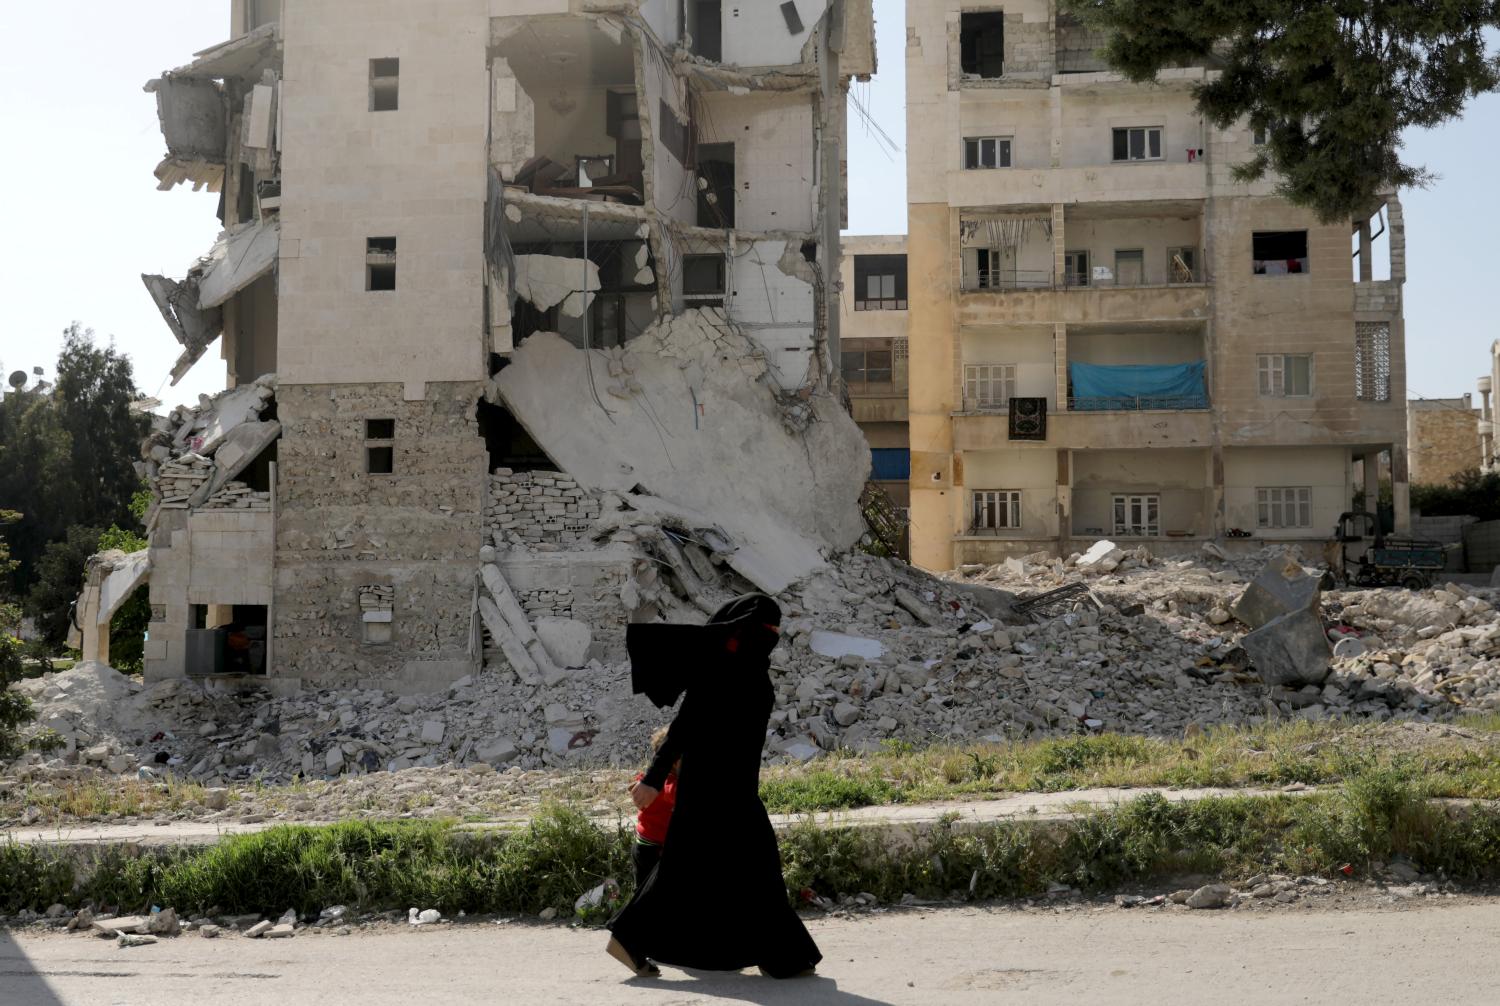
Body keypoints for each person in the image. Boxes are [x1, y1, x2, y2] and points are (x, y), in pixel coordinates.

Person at [606, 593, 821, 980]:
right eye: (766, 628)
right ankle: (783, 956)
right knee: (735, 867)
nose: (772, 634)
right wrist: (654, 780)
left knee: (728, 870)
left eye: (776, 628)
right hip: (708, 791)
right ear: (744, 630)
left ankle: (780, 956)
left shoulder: (752, 670)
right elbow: (682, 729)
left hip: (736, 790)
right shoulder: (721, 668)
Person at [631, 727, 678, 891]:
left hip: (642, 843)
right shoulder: (668, 783)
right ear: (674, 761)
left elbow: (639, 781)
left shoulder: (650, 780)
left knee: (642, 888)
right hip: (652, 848)